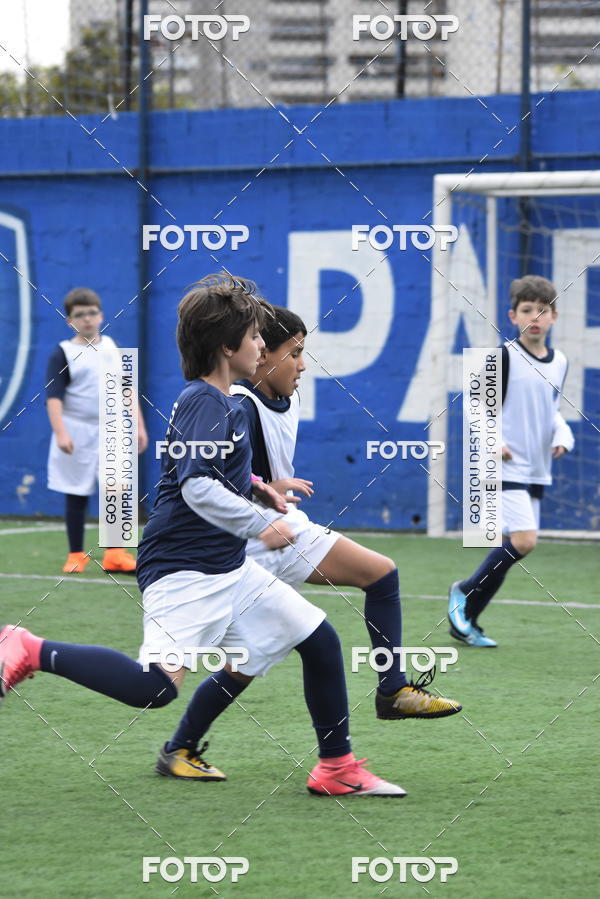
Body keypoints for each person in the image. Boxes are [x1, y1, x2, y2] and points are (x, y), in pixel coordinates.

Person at [1, 273, 405, 798]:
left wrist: (259, 489)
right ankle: (29, 647)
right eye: (257, 337)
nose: (263, 346)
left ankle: (336, 768)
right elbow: (196, 489)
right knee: (154, 688)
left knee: (320, 640)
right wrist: (266, 523)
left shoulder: (221, 402)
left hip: (226, 567)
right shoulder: (205, 402)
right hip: (183, 568)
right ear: (226, 347)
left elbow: (215, 474)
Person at [224, 302, 461, 720]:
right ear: (261, 356)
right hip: (250, 544)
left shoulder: (286, 397)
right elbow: (217, 483)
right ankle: (181, 745)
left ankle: (393, 691)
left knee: (382, 574)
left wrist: (274, 492)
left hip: (286, 528)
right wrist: (267, 488)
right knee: (245, 664)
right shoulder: (238, 406)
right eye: (294, 353)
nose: (302, 365)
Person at [448, 275, 574, 647]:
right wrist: (493, 441)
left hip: (537, 468)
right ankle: (464, 591)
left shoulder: (560, 361)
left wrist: (562, 436)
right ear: (513, 315)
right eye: (526, 310)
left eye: (543, 310)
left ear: (554, 316)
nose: (535, 316)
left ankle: (467, 616)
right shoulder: (502, 356)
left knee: (511, 543)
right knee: (525, 540)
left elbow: (551, 410)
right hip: (503, 466)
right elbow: (473, 406)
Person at [45, 287, 148, 573]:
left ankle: (115, 553)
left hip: (112, 430)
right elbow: (53, 397)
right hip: (77, 431)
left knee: (117, 489)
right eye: (80, 315)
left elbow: (127, 388)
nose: (87, 319)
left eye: (92, 313)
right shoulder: (63, 353)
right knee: (76, 491)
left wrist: (138, 425)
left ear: (101, 315)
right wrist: (61, 433)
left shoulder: (112, 347)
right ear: (70, 321)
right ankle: (75, 554)